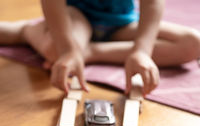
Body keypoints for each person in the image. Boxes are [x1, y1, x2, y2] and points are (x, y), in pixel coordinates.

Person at [0, 0, 200, 96]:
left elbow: (153, 3)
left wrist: (142, 51)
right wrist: (67, 49)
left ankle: (89, 52)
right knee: (56, 51)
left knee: (192, 43)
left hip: (120, 23)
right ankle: (27, 30)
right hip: (77, 16)